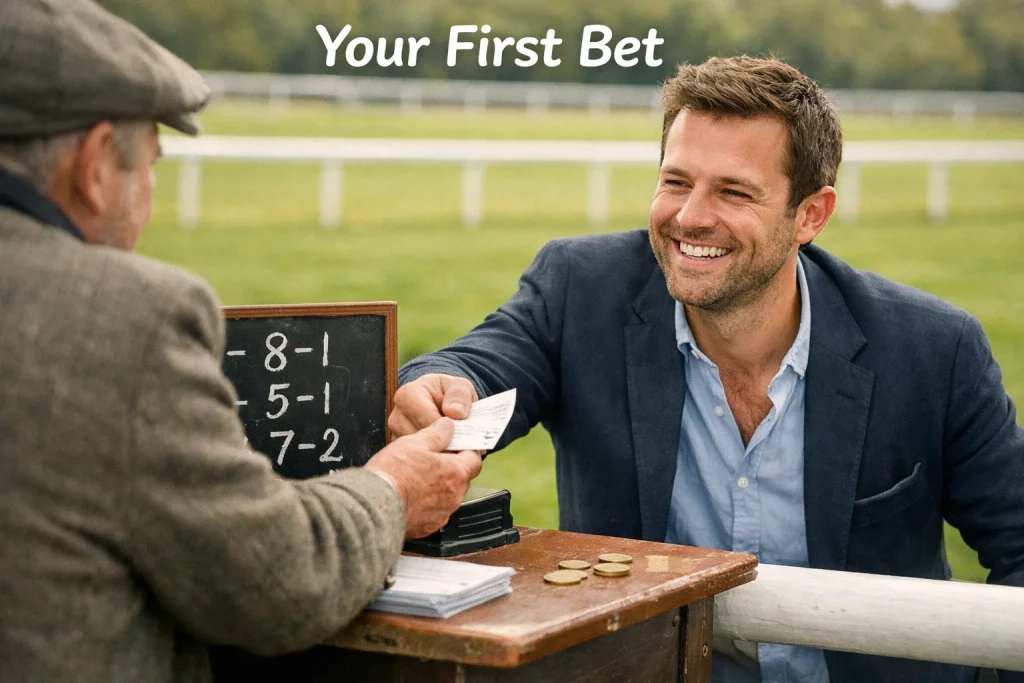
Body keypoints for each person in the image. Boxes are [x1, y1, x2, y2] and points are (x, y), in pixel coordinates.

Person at [390, 56, 1024, 682]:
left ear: (811, 214)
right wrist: (442, 386)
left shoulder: (935, 349)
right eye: (675, 181)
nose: (690, 216)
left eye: (734, 191)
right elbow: (473, 364)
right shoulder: (578, 291)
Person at [0, 2, 483, 682]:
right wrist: (393, 490)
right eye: (150, 165)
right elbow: (273, 582)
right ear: (94, 165)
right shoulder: (128, 317)